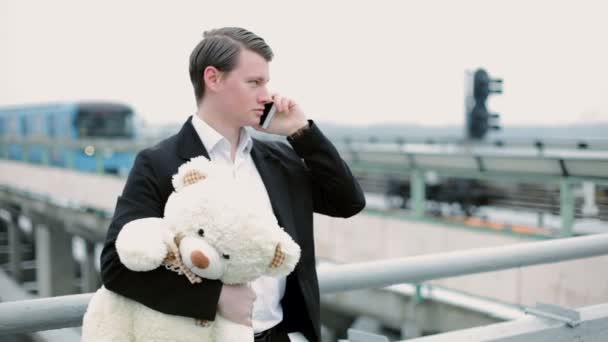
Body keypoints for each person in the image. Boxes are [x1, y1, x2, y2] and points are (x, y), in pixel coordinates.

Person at [100, 27, 365, 342]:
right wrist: (215, 298)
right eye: (254, 82)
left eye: (266, 82)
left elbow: (347, 201)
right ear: (213, 79)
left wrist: (300, 131)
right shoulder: (159, 162)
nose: (267, 96)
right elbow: (116, 266)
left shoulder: (278, 160)